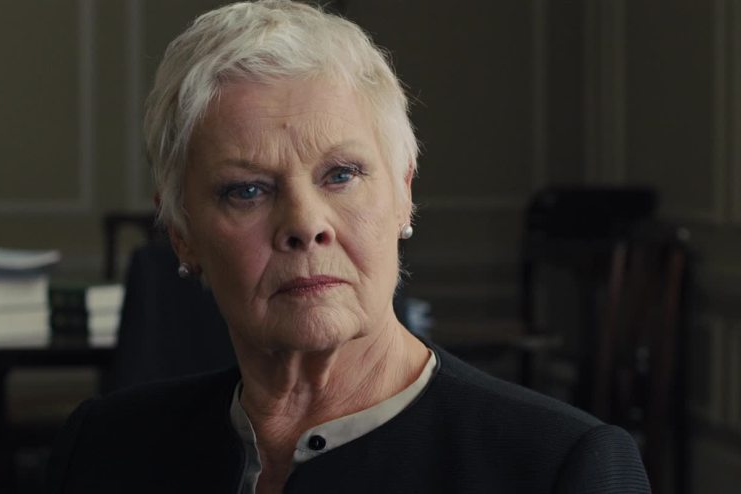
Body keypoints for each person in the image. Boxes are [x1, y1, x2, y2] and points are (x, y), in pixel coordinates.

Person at [46, 1, 650, 493]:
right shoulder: (102, 449)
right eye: (247, 190)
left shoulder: (560, 467)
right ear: (180, 232)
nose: (306, 225)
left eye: (341, 175)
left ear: (403, 194)